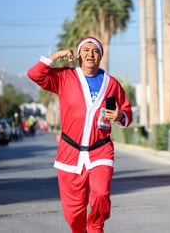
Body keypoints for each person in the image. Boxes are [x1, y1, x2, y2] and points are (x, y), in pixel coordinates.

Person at [28, 36, 132, 233]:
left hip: (100, 149)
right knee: (74, 214)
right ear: (78, 55)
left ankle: (95, 227)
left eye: (95, 51)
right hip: (70, 152)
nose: (90, 54)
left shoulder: (111, 83)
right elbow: (35, 74)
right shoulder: (65, 77)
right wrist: (57, 55)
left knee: (101, 194)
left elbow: (127, 112)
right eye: (86, 50)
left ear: (100, 56)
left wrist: (120, 115)